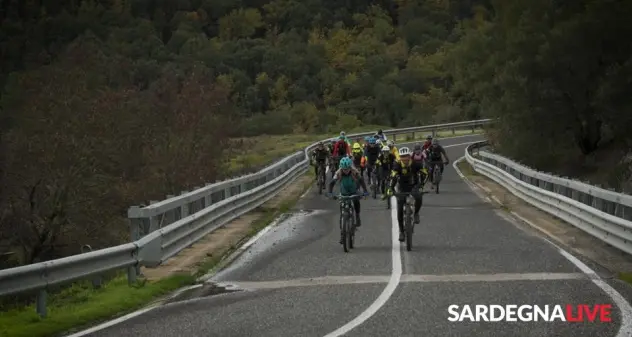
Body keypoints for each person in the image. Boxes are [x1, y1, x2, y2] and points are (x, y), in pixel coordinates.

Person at [386, 147, 424, 242]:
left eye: (406, 156)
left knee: (419, 197)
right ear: (400, 157)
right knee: (399, 210)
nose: (405, 158)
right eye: (402, 156)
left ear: (409, 156)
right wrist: (390, 189)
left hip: (413, 186)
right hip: (401, 188)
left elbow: (425, 173)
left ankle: (416, 214)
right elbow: (393, 176)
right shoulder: (397, 165)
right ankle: (402, 232)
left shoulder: (415, 164)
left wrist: (421, 185)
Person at [327, 157, 369, 241]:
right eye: (344, 169)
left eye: (347, 169)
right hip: (344, 192)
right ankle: (342, 233)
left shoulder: (354, 171)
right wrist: (330, 193)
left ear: (350, 167)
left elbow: (361, 181)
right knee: (342, 212)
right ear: (341, 168)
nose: (345, 171)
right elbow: (331, 183)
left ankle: (357, 216)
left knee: (356, 201)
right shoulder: (338, 172)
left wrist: (365, 191)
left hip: (354, 190)